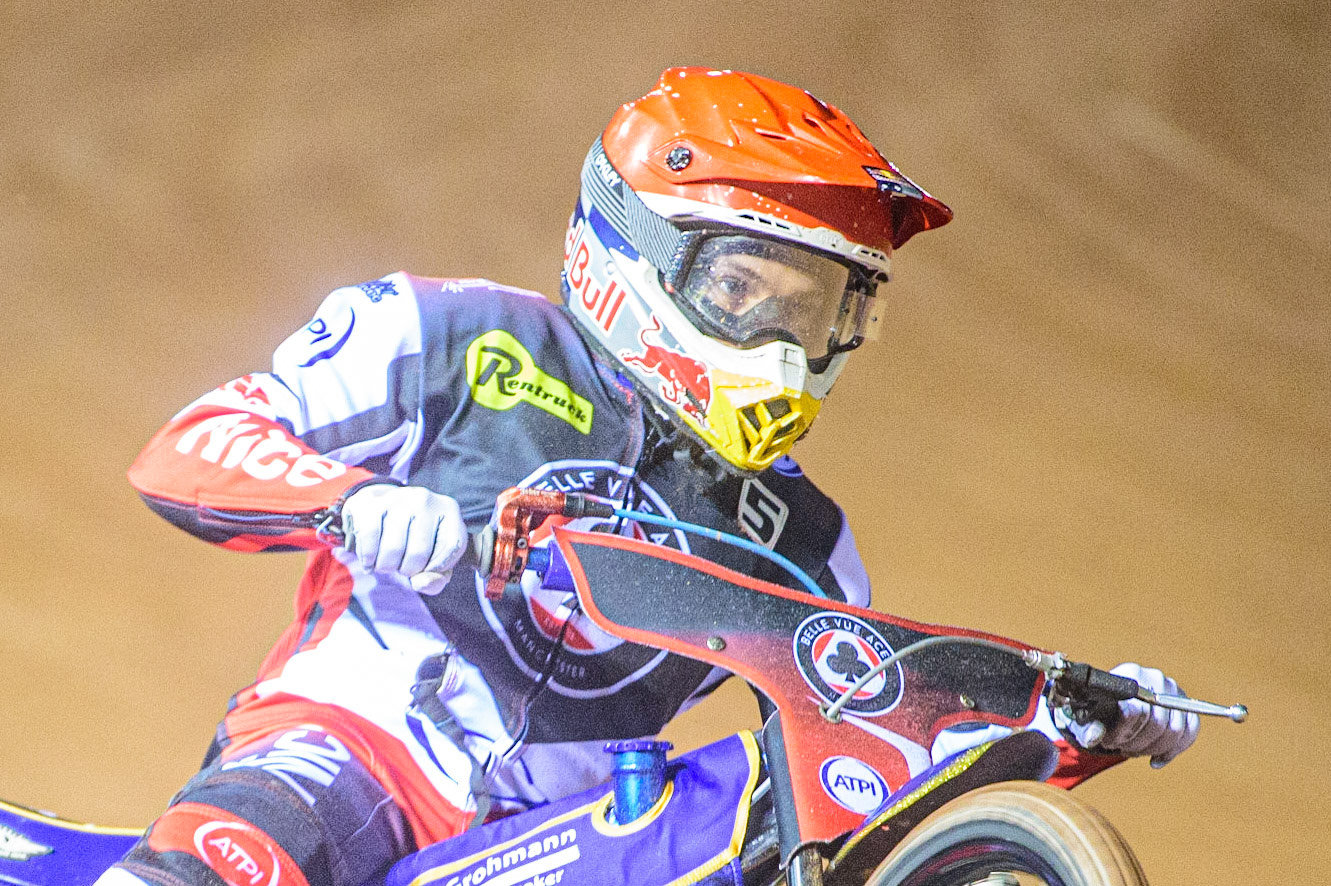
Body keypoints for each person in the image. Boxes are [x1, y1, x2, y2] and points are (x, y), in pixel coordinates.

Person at [96, 68, 1198, 886]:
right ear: (631, 249)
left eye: (819, 310)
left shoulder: (807, 542)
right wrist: (349, 500)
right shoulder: (443, 334)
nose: (783, 344)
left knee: (780, 827)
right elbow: (196, 438)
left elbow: (873, 737)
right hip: (355, 754)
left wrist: (1076, 722)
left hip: (571, 841)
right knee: (223, 864)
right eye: (749, 293)